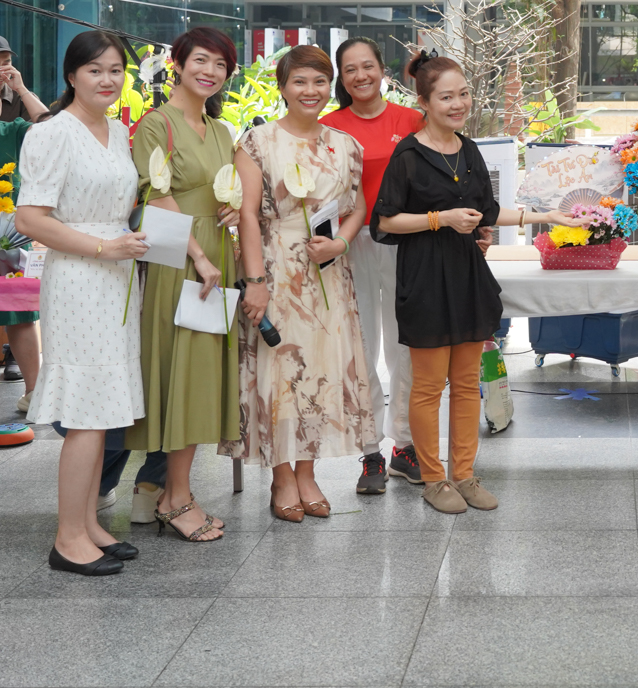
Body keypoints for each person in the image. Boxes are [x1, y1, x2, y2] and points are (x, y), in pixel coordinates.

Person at [373, 51, 576, 514]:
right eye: (446, 97)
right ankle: (433, 480)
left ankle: (463, 475)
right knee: (428, 388)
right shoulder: (408, 155)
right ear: (424, 102)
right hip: (425, 278)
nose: (458, 104)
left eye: (463, 94)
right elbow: (384, 222)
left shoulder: (468, 150)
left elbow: (487, 211)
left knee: (467, 384)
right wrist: (440, 218)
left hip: (467, 276)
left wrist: (546, 215)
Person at [223, 45, 375, 523]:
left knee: (320, 371)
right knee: (280, 371)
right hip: (275, 268)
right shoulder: (258, 142)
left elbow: (357, 207)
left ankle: (307, 472)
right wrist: (255, 281)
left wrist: (341, 244)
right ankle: (282, 475)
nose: (311, 91)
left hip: (328, 272)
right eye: (300, 82)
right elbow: (248, 215)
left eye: (319, 81)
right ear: (283, 87)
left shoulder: (345, 145)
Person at [17, 31, 149, 575]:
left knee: (105, 408)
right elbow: (30, 218)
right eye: (95, 70)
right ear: (72, 75)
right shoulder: (51, 133)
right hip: (79, 278)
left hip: (118, 278)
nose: (107, 79)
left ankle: (89, 524)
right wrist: (103, 247)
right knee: (87, 414)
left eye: (116, 69)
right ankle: (67, 538)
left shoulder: (117, 131)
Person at [126, 27, 243, 543]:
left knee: (201, 378)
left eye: (220, 65)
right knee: (182, 374)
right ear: (177, 63)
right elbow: (156, 197)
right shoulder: (156, 124)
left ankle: (174, 492)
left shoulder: (221, 130)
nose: (210, 72)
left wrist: (230, 211)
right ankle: (174, 497)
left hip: (217, 255)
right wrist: (198, 255)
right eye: (200, 60)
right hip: (181, 259)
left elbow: (226, 192)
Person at [321, 36, 425, 493]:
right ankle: (369, 453)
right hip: (351, 243)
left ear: (382, 70)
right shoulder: (327, 128)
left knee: (405, 345)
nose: (361, 75)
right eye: (350, 69)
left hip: (406, 240)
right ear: (341, 79)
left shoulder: (412, 120)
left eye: (368, 66)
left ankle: (405, 445)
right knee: (361, 348)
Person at [0, 56, 52, 412]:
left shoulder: (11, 132)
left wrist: (20, 88)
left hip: (9, 237)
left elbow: (50, 125)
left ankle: (35, 392)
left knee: (18, 310)